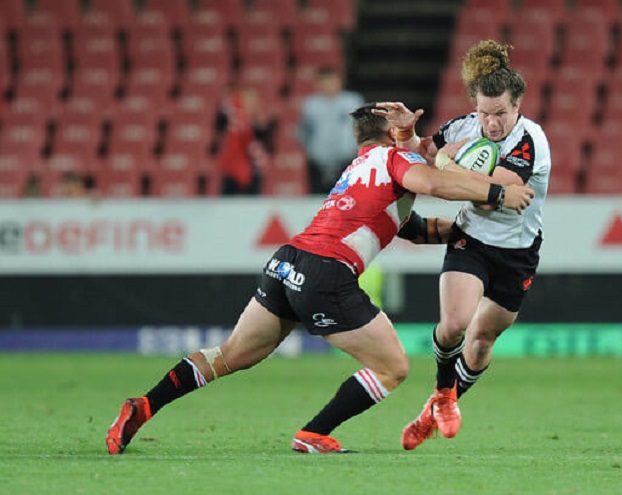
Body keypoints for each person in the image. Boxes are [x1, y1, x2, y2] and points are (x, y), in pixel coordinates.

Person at [106, 103, 534, 456]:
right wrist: (498, 193)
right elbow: (433, 180)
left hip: (287, 264)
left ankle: (144, 405)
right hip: (326, 274)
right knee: (393, 367)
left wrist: (458, 232)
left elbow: (407, 226)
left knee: (230, 355)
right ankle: (313, 433)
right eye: (401, 129)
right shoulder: (393, 159)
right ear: (389, 132)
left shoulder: (358, 168)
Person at [373, 39, 552, 450]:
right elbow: (417, 158)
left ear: (518, 106)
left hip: (518, 252)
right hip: (470, 239)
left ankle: (431, 409)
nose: (491, 124)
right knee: (455, 324)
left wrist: (447, 165)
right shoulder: (462, 127)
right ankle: (443, 394)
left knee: (483, 340)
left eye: (501, 114)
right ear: (475, 106)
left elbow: (498, 188)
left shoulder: (531, 141)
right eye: (484, 113)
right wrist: (406, 132)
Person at [297, 66, 365, 194]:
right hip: (318, 162)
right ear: (318, 84)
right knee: (319, 201)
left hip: (347, 160)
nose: (328, 85)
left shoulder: (353, 102)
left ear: (339, 82)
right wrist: (311, 150)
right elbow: (304, 132)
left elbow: (363, 128)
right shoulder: (311, 105)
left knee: (348, 199)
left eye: (331, 81)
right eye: (324, 82)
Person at [216, 86, 273, 195]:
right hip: (235, 170)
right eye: (247, 101)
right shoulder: (237, 126)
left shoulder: (258, 126)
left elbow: (263, 146)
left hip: (253, 171)